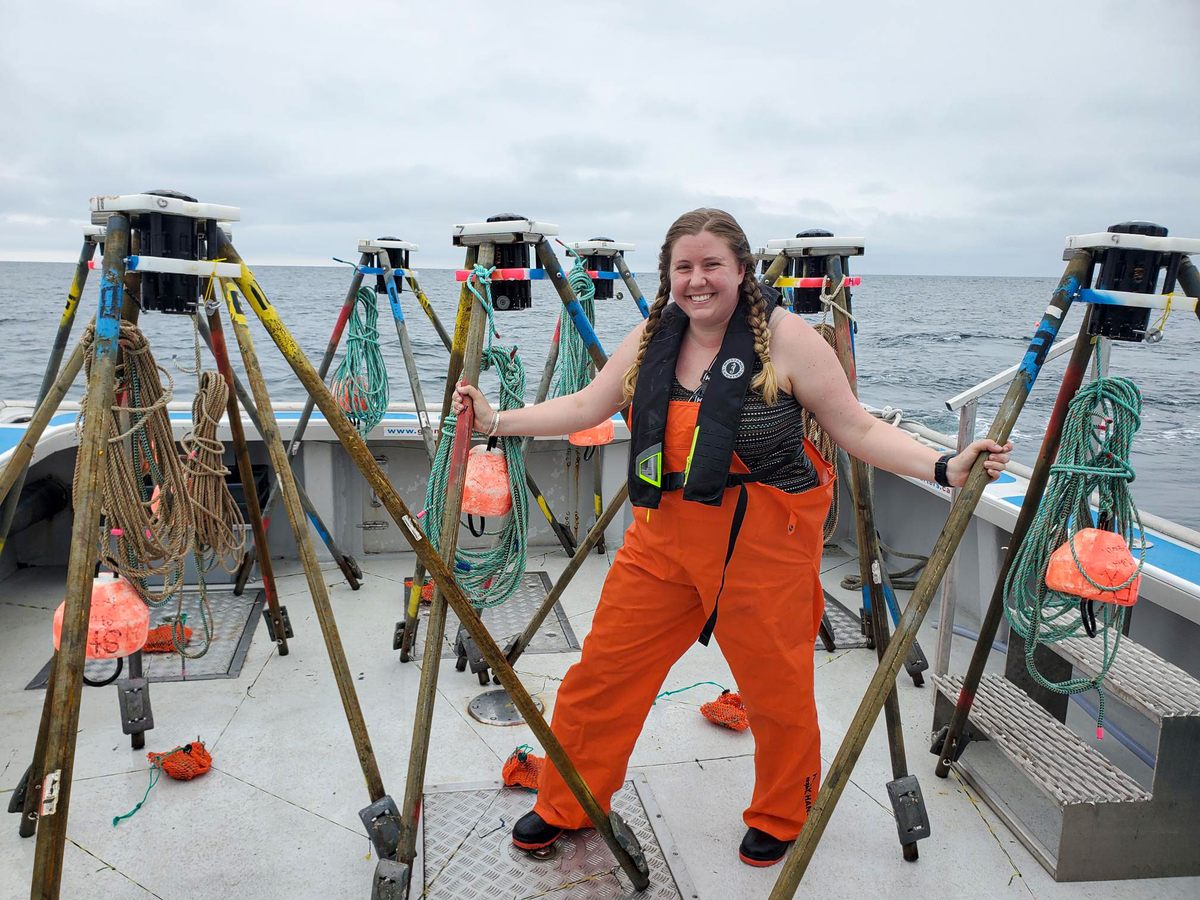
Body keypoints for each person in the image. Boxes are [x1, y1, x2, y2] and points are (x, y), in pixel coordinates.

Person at [452, 208, 1011, 867]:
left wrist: (944, 466)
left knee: (777, 693)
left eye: (711, 265)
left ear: (741, 270)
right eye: (683, 267)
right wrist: (499, 419)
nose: (697, 280)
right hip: (662, 542)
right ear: (668, 275)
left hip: (764, 546)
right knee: (599, 678)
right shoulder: (651, 337)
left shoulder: (789, 341)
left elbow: (857, 430)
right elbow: (586, 406)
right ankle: (568, 800)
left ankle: (784, 810)